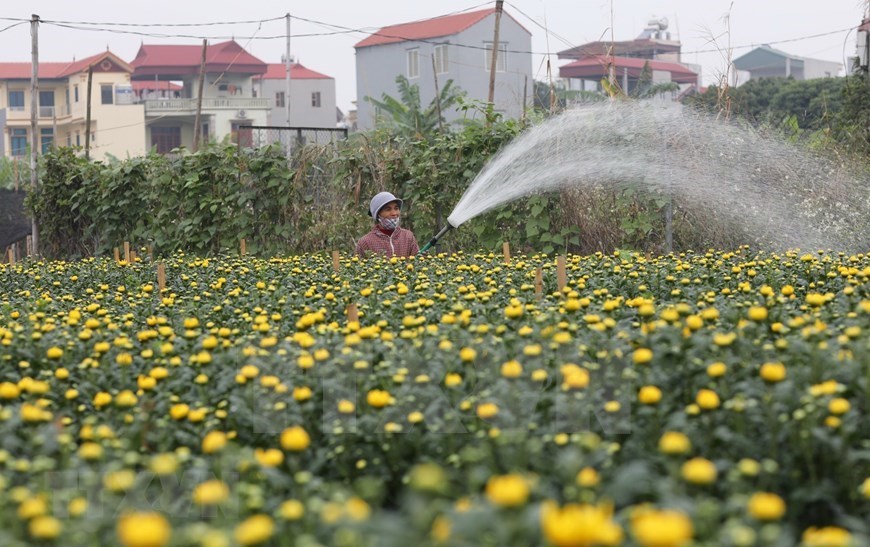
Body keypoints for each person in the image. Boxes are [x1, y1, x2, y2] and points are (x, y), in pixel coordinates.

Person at [355, 191, 419, 258]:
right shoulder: (366, 242)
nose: (394, 213)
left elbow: (418, 262)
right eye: (388, 209)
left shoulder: (407, 237)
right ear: (378, 215)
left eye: (396, 208)